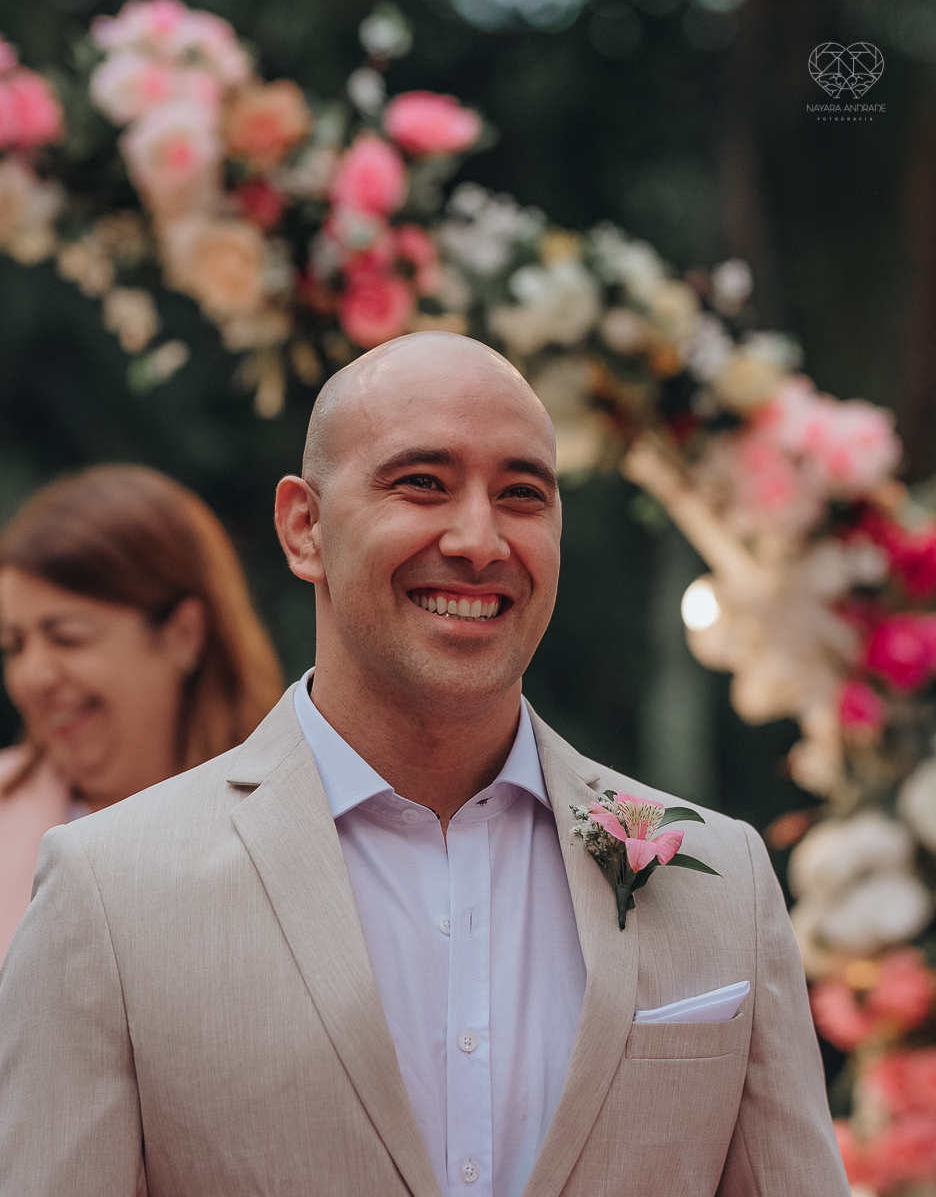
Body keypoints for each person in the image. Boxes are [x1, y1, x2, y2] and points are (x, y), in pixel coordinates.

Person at [0, 334, 849, 1196]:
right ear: (305, 526)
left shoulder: (724, 880)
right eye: (422, 484)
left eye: (522, 494)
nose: (480, 540)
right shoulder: (109, 893)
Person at [0, 464, 283, 959]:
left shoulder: (297, 819)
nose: (32, 678)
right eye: (14, 645)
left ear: (183, 634)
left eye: (67, 637)